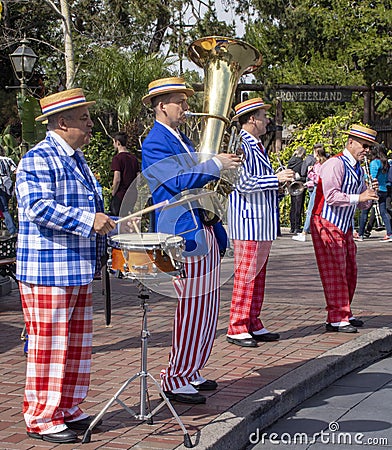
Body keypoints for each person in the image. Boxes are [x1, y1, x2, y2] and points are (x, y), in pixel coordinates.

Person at [15, 88, 116, 443]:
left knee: (75, 347)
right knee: (49, 346)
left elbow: (89, 211)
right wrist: (90, 221)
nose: (91, 124)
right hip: (47, 272)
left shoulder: (77, 160)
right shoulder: (38, 158)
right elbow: (37, 207)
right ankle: (41, 416)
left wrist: (114, 222)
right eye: (85, 118)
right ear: (63, 122)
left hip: (76, 268)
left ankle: (68, 408)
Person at [141, 77, 241, 404]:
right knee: (192, 308)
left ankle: (191, 369)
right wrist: (214, 164)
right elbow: (176, 181)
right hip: (182, 231)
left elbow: (197, 184)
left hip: (200, 226)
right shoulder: (155, 141)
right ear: (161, 106)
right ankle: (175, 376)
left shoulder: (180, 138)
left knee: (206, 308)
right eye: (180, 102)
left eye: (185, 102)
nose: (186, 108)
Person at [226, 98, 295, 347]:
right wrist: (275, 179)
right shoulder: (242, 145)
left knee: (258, 275)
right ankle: (237, 325)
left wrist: (279, 184)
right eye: (264, 116)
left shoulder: (256, 146)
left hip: (260, 222)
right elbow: (242, 184)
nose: (268, 120)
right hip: (248, 222)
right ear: (252, 119)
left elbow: (259, 184)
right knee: (246, 275)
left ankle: (252, 321)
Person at [310, 124, 379, 333]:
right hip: (326, 221)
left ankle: (343, 311)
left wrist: (367, 196)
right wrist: (360, 196)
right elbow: (331, 196)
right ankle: (337, 316)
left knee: (350, 270)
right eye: (364, 146)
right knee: (335, 271)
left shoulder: (357, 168)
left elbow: (358, 202)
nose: (367, 150)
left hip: (344, 225)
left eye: (369, 147)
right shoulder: (335, 164)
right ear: (351, 142)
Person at [292, 144, 327, 242]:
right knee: (318, 211)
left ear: (316, 152)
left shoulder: (318, 164)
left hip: (316, 188)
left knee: (310, 210)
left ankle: (304, 232)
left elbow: (318, 178)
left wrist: (310, 173)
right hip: (319, 187)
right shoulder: (325, 163)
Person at [357, 144, 391, 241]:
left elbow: (372, 177)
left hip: (374, 189)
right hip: (383, 189)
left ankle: (361, 234)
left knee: (364, 211)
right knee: (383, 212)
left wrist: (364, 175)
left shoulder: (374, 162)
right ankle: (389, 233)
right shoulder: (385, 163)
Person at [110, 132, 139, 216]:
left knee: (117, 220)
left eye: (114, 142)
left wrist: (113, 192)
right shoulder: (134, 158)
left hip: (121, 195)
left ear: (118, 142)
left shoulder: (118, 159)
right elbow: (138, 178)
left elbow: (117, 179)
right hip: (132, 195)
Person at [287, 146, 306, 233]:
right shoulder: (302, 162)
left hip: (291, 184)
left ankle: (292, 226)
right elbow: (303, 173)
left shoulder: (290, 162)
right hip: (299, 184)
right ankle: (297, 226)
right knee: (299, 206)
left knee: (293, 205)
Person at [0, 145, 17, 236]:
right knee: (5, 208)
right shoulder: (8, 160)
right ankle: (11, 230)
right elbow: (15, 171)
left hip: (0, 185)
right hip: (8, 185)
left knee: (4, 209)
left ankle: (12, 230)